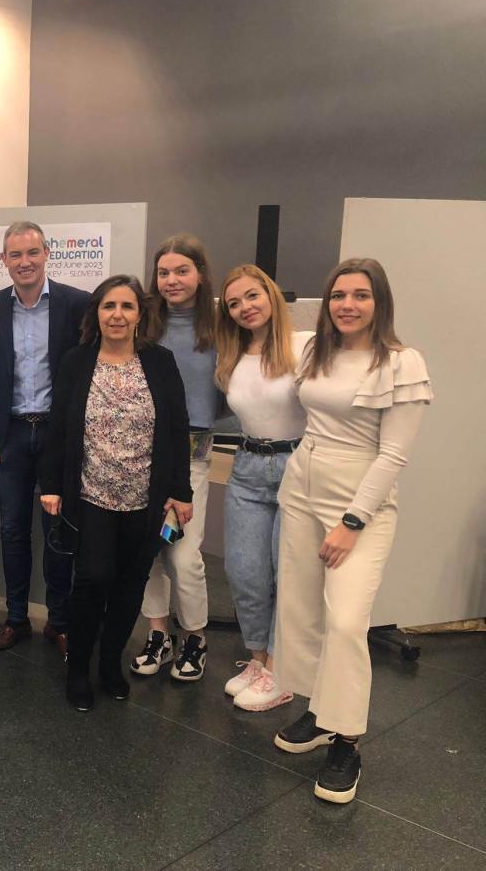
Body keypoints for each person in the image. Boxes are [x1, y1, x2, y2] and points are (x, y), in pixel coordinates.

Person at [272, 258, 431, 804]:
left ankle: (348, 741)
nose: (347, 305)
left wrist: (352, 521)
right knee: (301, 607)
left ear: (379, 302)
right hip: (301, 485)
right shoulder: (316, 351)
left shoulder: (402, 362)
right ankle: (321, 712)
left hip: (359, 498)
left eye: (361, 295)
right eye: (339, 295)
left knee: (345, 621)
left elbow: (393, 455)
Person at [39, 275, 192, 711]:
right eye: (109, 306)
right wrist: (51, 485)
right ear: (97, 313)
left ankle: (110, 664)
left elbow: (177, 428)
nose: (118, 315)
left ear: (139, 314)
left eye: (127, 306)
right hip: (92, 495)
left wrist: (181, 491)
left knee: (130, 584)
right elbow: (58, 427)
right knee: (92, 580)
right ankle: (78, 667)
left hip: (146, 498)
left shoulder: (160, 362)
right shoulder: (76, 361)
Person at [0, 221, 91, 653]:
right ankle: (16, 618)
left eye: (32, 252)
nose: (24, 262)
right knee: (12, 530)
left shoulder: (76, 303)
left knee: (58, 531)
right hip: (10, 435)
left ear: (46, 254)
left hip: (57, 436)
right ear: (3, 260)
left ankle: (58, 622)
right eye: (15, 255)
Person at [214, 264, 312, 711]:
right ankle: (257, 659)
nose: (245, 308)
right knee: (245, 571)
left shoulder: (304, 345)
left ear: (270, 294)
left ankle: (280, 668)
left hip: (297, 464)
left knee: (286, 574)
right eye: (234, 303)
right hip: (248, 467)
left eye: (252, 296)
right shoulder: (231, 356)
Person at [131, 234, 223, 682]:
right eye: (164, 272)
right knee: (148, 551)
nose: (172, 280)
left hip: (190, 457)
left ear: (200, 275)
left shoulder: (221, 326)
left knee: (183, 556)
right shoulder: (145, 323)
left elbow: (231, 392)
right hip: (140, 455)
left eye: (182, 271)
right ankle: (158, 635)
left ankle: (195, 638)